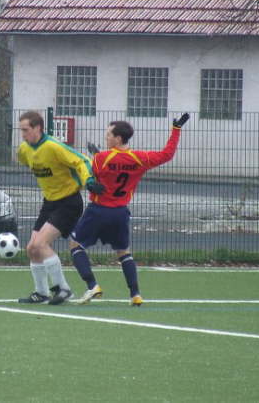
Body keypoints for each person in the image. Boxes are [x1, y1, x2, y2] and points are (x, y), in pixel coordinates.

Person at [70, 113, 190, 306]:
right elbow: (167, 155)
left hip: (98, 210)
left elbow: (92, 173)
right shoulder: (140, 158)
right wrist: (176, 130)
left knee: (75, 245)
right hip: (120, 212)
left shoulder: (101, 158)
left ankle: (92, 285)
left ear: (118, 138)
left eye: (109, 134)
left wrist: (94, 159)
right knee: (124, 252)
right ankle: (135, 294)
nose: (106, 137)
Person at [17, 111, 104, 305]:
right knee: (32, 248)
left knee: (41, 244)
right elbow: (25, 160)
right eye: (21, 130)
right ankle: (42, 293)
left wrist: (88, 181)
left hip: (68, 203)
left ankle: (63, 289)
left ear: (38, 128)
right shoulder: (24, 150)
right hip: (49, 203)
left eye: (26, 130)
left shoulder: (54, 146)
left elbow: (82, 161)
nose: (23, 134)